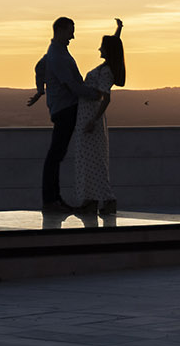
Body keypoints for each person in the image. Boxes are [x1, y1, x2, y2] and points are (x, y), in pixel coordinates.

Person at [26, 16, 102, 212]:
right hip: (65, 109)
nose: (73, 36)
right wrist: (95, 94)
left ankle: (54, 199)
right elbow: (71, 85)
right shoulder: (58, 56)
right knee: (55, 155)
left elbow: (39, 67)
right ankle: (51, 200)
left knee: (57, 154)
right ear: (60, 30)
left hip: (62, 108)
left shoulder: (55, 52)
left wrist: (40, 90)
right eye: (70, 31)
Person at [63, 21, 126, 212]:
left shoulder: (106, 72)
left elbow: (106, 98)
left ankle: (106, 199)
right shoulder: (105, 68)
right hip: (87, 118)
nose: (99, 48)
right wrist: (118, 30)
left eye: (103, 46)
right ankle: (90, 199)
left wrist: (94, 120)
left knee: (95, 162)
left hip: (91, 120)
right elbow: (116, 44)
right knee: (86, 161)